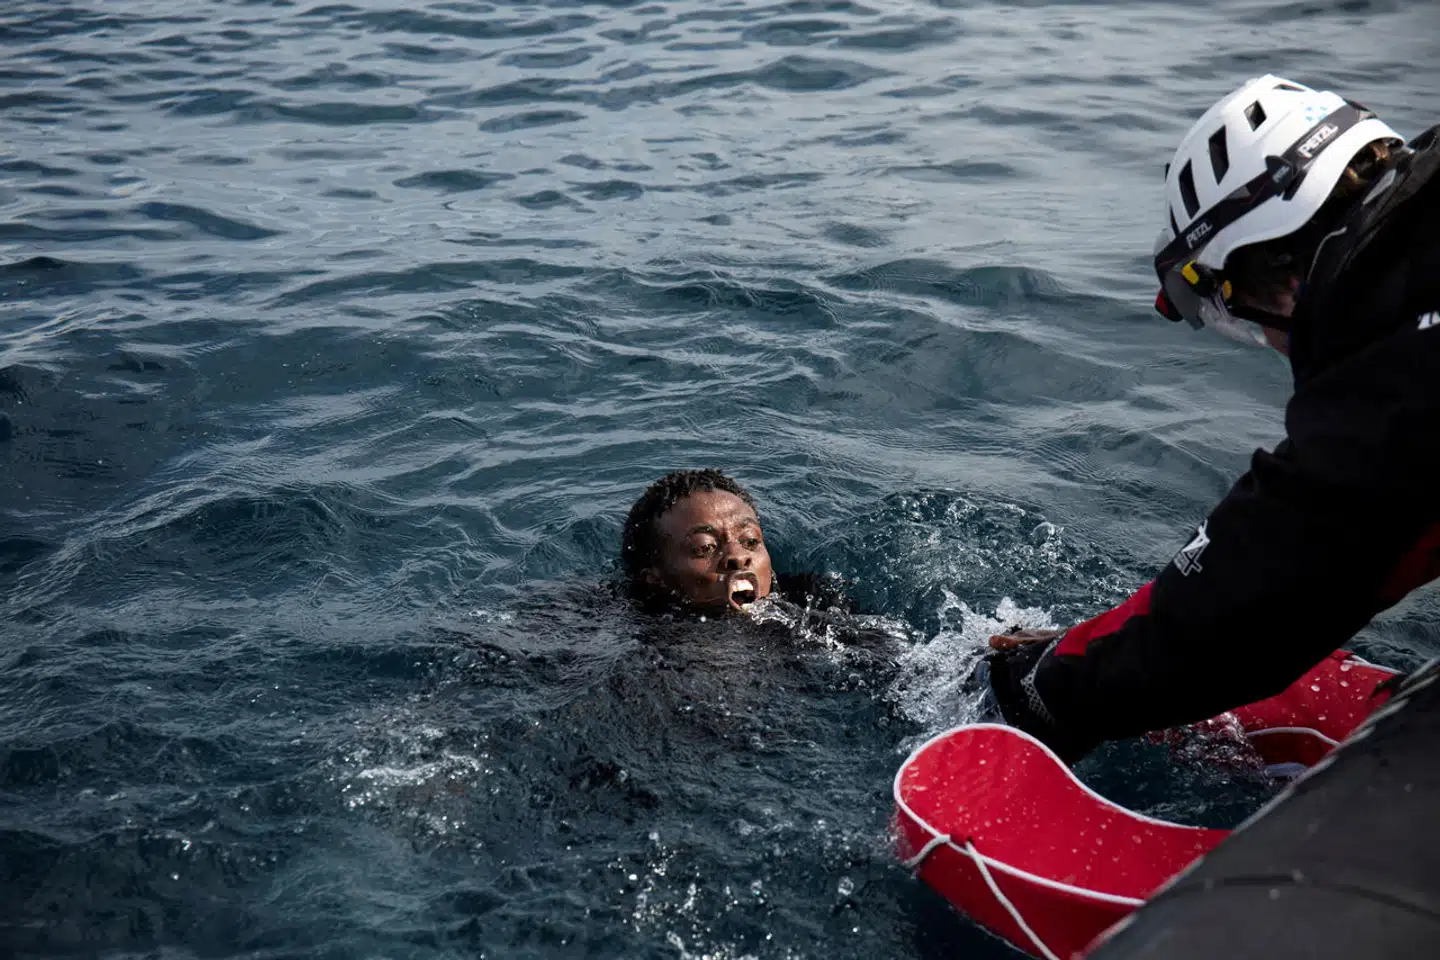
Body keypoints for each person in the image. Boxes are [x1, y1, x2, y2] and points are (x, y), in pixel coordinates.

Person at [985, 75, 1440, 764]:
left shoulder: (1393, 377)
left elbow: (1238, 612)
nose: (1270, 342)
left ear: (1272, 269)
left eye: (1233, 310)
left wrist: (1042, 686)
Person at [621, 468, 848, 615]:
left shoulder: (814, 604)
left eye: (750, 541)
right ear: (654, 579)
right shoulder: (644, 645)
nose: (738, 557)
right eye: (705, 547)